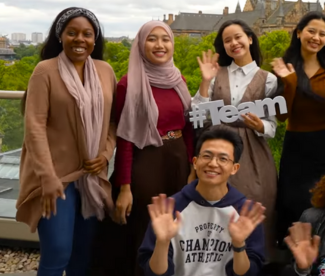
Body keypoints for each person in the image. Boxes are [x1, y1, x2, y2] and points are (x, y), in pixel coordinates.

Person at [16, 7, 117, 276]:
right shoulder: (45, 71)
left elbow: (112, 122)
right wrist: (47, 177)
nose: (79, 39)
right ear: (60, 36)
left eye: (87, 33)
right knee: (57, 252)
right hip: (54, 179)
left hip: (92, 177)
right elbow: (34, 127)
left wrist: (106, 154)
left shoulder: (106, 71)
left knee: (83, 254)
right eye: (72, 33)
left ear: (95, 39)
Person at [90, 20, 193, 276]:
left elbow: (189, 127)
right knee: (144, 232)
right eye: (152, 39)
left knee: (176, 230)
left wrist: (193, 168)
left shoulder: (178, 79)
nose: (160, 45)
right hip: (146, 165)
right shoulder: (129, 84)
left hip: (178, 162)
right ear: (140, 45)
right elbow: (125, 138)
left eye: (165, 39)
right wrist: (125, 187)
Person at [193, 19, 279, 259]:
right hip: (216, 148)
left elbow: (273, 127)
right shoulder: (216, 74)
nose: (233, 43)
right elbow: (197, 115)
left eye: (238, 37)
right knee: (214, 210)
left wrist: (259, 124)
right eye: (227, 40)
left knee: (252, 209)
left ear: (250, 38)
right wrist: (205, 80)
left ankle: (252, 263)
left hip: (253, 155)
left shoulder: (269, 79)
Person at [270, 11, 325, 248]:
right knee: (292, 207)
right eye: (311, 31)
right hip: (296, 148)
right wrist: (290, 82)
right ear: (298, 33)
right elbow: (282, 115)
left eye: (322, 34)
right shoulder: (286, 67)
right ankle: (294, 264)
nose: (316, 37)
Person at [137, 126, 266, 276]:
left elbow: (249, 273)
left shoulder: (245, 213)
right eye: (207, 156)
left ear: (234, 168)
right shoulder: (170, 209)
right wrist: (162, 243)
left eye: (223, 159)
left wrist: (239, 245)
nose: (213, 163)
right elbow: (153, 273)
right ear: (195, 162)